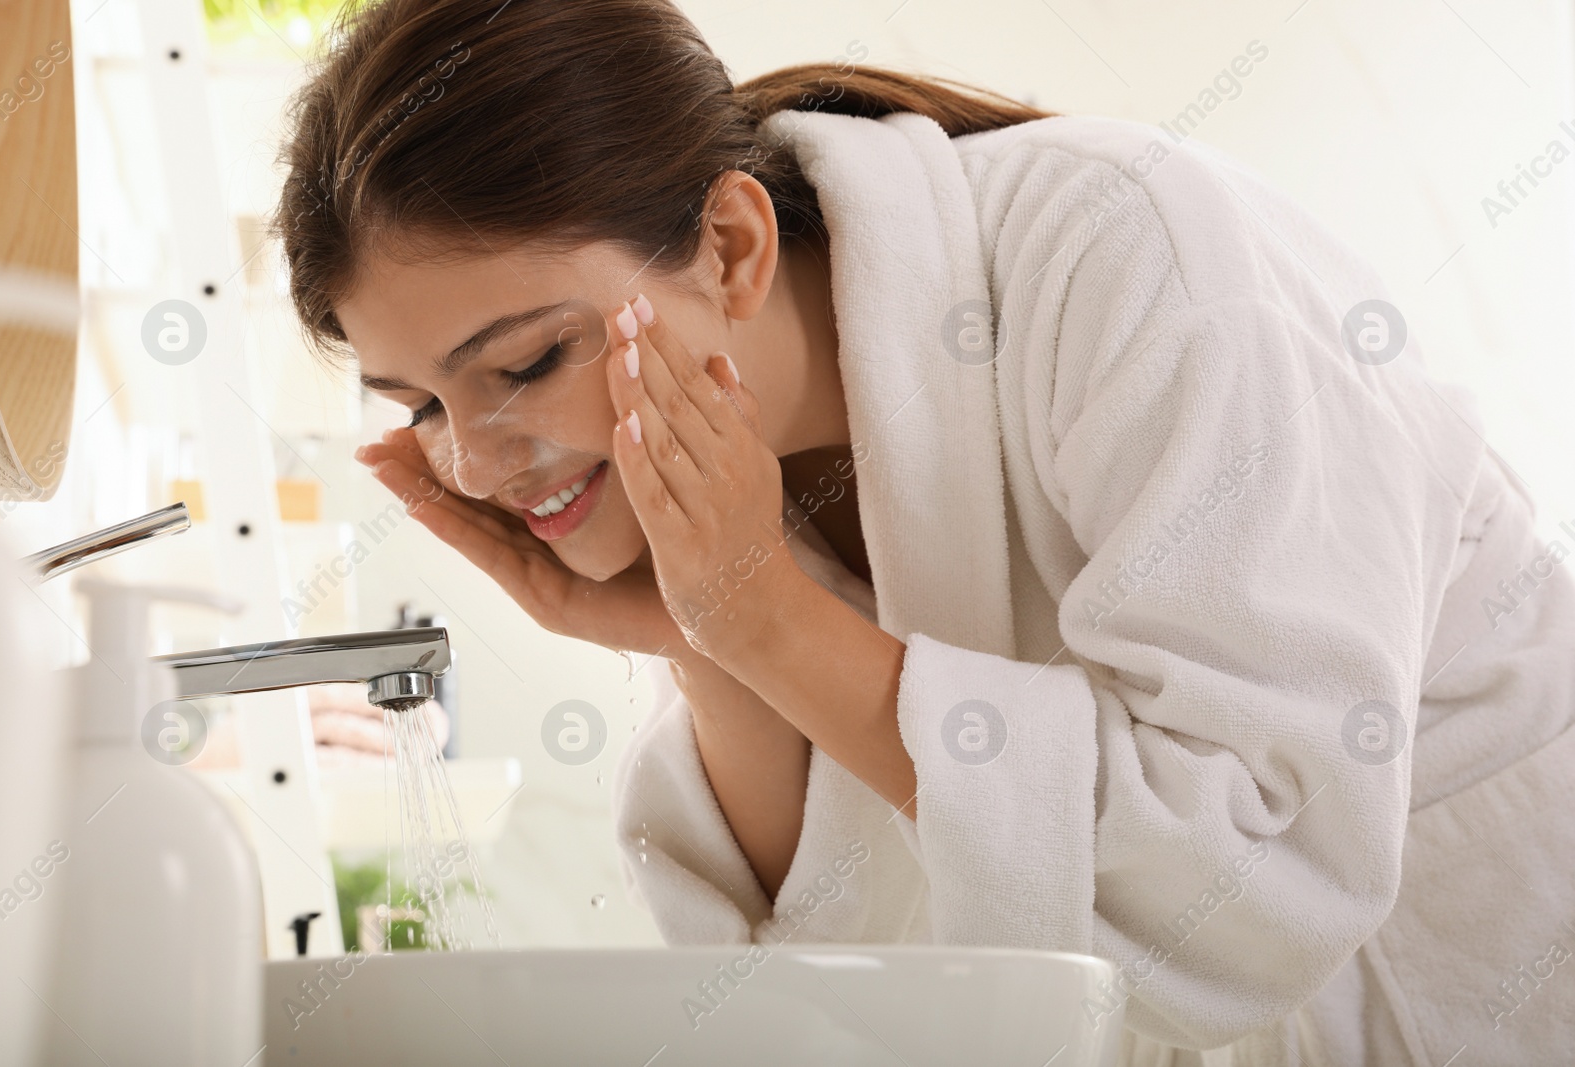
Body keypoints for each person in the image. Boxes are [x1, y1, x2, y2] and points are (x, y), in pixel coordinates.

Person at [271, 0, 1575, 1061]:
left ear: (730, 247)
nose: (477, 460)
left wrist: (769, 614)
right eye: (421, 404)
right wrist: (712, 637)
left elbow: (1256, 890)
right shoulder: (750, 483)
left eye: (525, 361)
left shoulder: (1128, 250)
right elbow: (827, 992)